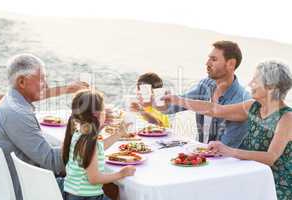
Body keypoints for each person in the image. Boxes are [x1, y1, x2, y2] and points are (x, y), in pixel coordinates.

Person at [164, 60, 292, 200]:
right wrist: (179, 100)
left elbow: (270, 158)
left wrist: (229, 151)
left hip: (276, 186)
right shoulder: (253, 106)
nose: (250, 84)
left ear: (271, 87)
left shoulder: (287, 118)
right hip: (253, 175)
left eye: (255, 81)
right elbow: (216, 109)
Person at [0, 53, 88, 200]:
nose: (47, 84)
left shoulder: (11, 100)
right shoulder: (17, 114)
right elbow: (54, 163)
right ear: (22, 82)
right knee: (98, 185)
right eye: (42, 79)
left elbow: (37, 92)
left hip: (12, 185)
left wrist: (68, 89)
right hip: (29, 191)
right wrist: (86, 130)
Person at [160, 41, 250, 147]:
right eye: (209, 58)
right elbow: (174, 106)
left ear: (231, 64)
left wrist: (178, 100)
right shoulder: (205, 85)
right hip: (202, 154)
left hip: (225, 161)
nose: (207, 63)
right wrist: (154, 104)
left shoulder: (242, 100)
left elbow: (225, 148)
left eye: (214, 59)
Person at [62, 89, 136, 200]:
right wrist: (121, 174)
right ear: (97, 115)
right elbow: (94, 178)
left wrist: (119, 133)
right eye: (104, 110)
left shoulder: (78, 135)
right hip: (86, 197)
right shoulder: (88, 143)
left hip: (73, 194)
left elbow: (99, 147)